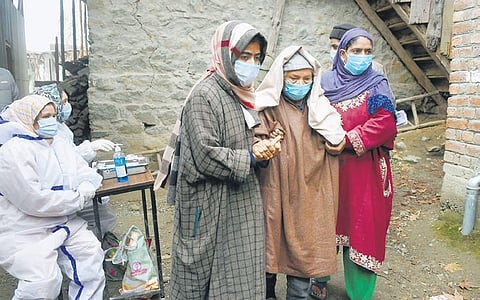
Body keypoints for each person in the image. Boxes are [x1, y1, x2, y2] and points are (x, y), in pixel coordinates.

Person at [168, 21, 281, 299]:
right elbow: (206, 155)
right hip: (209, 203)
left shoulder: (240, 93)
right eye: (244, 56)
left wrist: (263, 145)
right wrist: (252, 155)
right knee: (200, 276)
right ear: (227, 56)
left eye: (256, 58)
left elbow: (243, 138)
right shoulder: (205, 96)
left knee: (238, 272)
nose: (251, 64)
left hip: (240, 200)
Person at [254, 46, 346, 299]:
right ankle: (268, 294)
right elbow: (255, 143)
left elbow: (337, 139)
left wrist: (338, 143)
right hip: (276, 189)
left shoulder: (320, 108)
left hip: (311, 191)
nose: (300, 84)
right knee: (269, 248)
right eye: (294, 79)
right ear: (281, 78)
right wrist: (265, 143)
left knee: (305, 251)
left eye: (307, 79)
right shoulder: (266, 107)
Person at [315, 27, 397, 300]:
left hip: (366, 172)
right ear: (343, 53)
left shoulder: (377, 83)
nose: (363, 56)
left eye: (368, 52)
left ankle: (359, 294)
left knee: (362, 227)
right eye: (356, 51)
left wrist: (349, 139)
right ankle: (318, 278)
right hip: (328, 167)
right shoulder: (324, 82)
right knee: (324, 222)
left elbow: (385, 122)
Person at [0, 95, 105, 299]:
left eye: (53, 115)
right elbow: (33, 200)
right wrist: (77, 199)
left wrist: (85, 183)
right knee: (44, 282)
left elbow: (81, 169)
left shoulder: (57, 143)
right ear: (28, 119)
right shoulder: (12, 152)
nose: (51, 121)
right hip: (24, 229)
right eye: (45, 116)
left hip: (63, 222)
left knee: (90, 255)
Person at [31, 83, 117, 237]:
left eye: (67, 101)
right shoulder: (42, 133)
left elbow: (71, 158)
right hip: (56, 200)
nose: (66, 106)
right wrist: (90, 148)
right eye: (63, 102)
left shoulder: (60, 127)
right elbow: (66, 161)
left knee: (104, 218)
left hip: (68, 192)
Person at [328, 24, 396, 107]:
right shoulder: (329, 75)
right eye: (334, 47)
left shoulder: (374, 71)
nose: (336, 51)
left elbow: (388, 102)